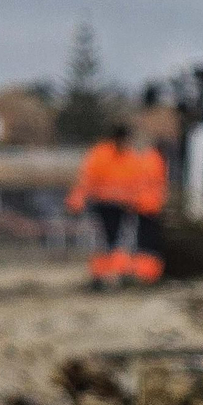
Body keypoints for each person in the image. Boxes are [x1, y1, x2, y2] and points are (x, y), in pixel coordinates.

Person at [66, 122, 135, 291]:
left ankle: (115, 275)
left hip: (121, 205)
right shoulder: (103, 154)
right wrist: (78, 199)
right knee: (104, 241)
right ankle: (101, 276)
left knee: (116, 241)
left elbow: (135, 181)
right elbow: (87, 178)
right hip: (102, 204)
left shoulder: (123, 155)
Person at [127, 135, 168, 285]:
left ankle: (145, 273)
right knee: (150, 243)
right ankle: (150, 274)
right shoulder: (157, 160)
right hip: (152, 207)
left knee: (144, 242)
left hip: (142, 207)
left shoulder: (145, 160)